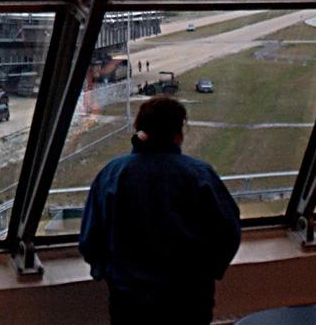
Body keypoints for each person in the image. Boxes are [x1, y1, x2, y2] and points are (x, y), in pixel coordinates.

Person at [78, 95, 240, 324]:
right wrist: (205, 275)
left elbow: (89, 239)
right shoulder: (200, 176)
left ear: (140, 130)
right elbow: (228, 233)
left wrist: (109, 273)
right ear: (178, 134)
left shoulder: (112, 175)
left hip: (129, 303)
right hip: (189, 302)